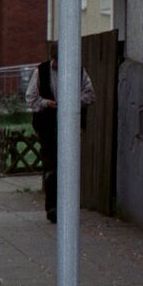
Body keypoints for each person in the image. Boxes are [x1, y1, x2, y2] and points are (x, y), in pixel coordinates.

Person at [26, 42, 95, 223]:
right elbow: (31, 98)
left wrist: (72, 102)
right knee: (51, 168)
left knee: (69, 167)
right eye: (56, 60)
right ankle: (53, 208)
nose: (57, 64)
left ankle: (68, 208)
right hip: (47, 125)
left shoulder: (78, 72)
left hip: (71, 126)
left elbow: (89, 95)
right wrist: (47, 103)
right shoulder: (40, 72)